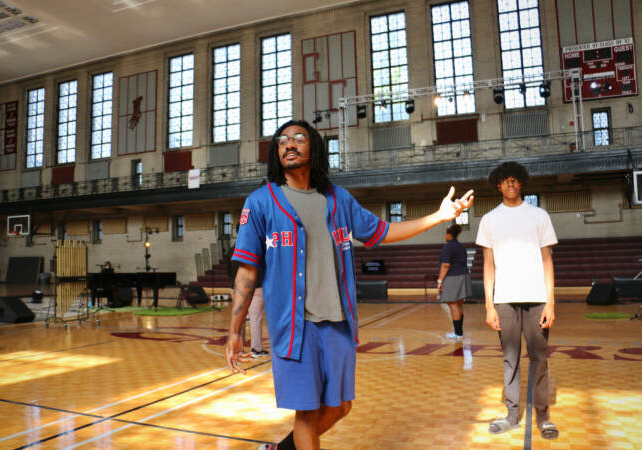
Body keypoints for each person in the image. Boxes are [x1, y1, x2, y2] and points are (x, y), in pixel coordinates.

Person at [225, 119, 474, 450]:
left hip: (339, 325)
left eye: (298, 137)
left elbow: (383, 231)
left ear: (314, 146)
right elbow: (246, 271)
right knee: (307, 415)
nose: (288, 143)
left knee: (341, 406)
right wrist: (234, 331)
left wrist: (437, 217)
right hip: (295, 329)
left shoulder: (338, 199)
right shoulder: (260, 202)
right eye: (282, 139)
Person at [475, 161, 559, 440]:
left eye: (515, 180)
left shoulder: (539, 216)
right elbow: (488, 266)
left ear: (521, 183)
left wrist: (551, 302)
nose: (510, 184)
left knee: (539, 359)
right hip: (505, 301)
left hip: (537, 298)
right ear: (498, 185)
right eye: (505, 180)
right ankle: (512, 414)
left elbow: (547, 260)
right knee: (510, 358)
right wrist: (489, 305)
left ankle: (543, 416)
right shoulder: (489, 220)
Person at [226, 227, 268, 357]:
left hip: (236, 288)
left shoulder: (231, 251)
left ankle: (239, 348)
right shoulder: (258, 249)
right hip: (256, 287)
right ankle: (256, 349)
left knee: (241, 317)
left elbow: (228, 271)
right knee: (255, 318)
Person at [437, 223, 471, 340]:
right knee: (459, 304)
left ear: (448, 234)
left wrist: (440, 281)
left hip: (453, 277)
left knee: (453, 305)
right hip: (464, 275)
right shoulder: (461, 246)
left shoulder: (448, 246)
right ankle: (459, 332)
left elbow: (446, 265)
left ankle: (457, 333)